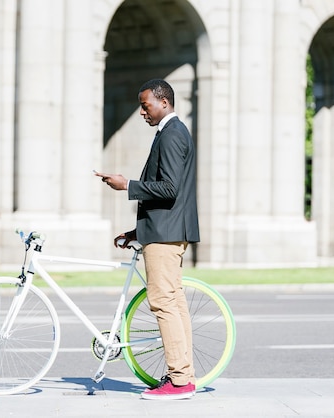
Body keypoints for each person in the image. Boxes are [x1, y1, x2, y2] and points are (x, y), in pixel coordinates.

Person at [95, 78, 199, 400]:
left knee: (164, 303)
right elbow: (172, 193)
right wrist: (138, 232)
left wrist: (127, 185)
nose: (142, 111)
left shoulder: (171, 135)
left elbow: (169, 189)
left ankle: (179, 381)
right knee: (174, 303)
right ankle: (182, 374)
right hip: (164, 231)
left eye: (145, 105)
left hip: (166, 236)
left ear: (163, 102)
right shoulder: (174, 132)